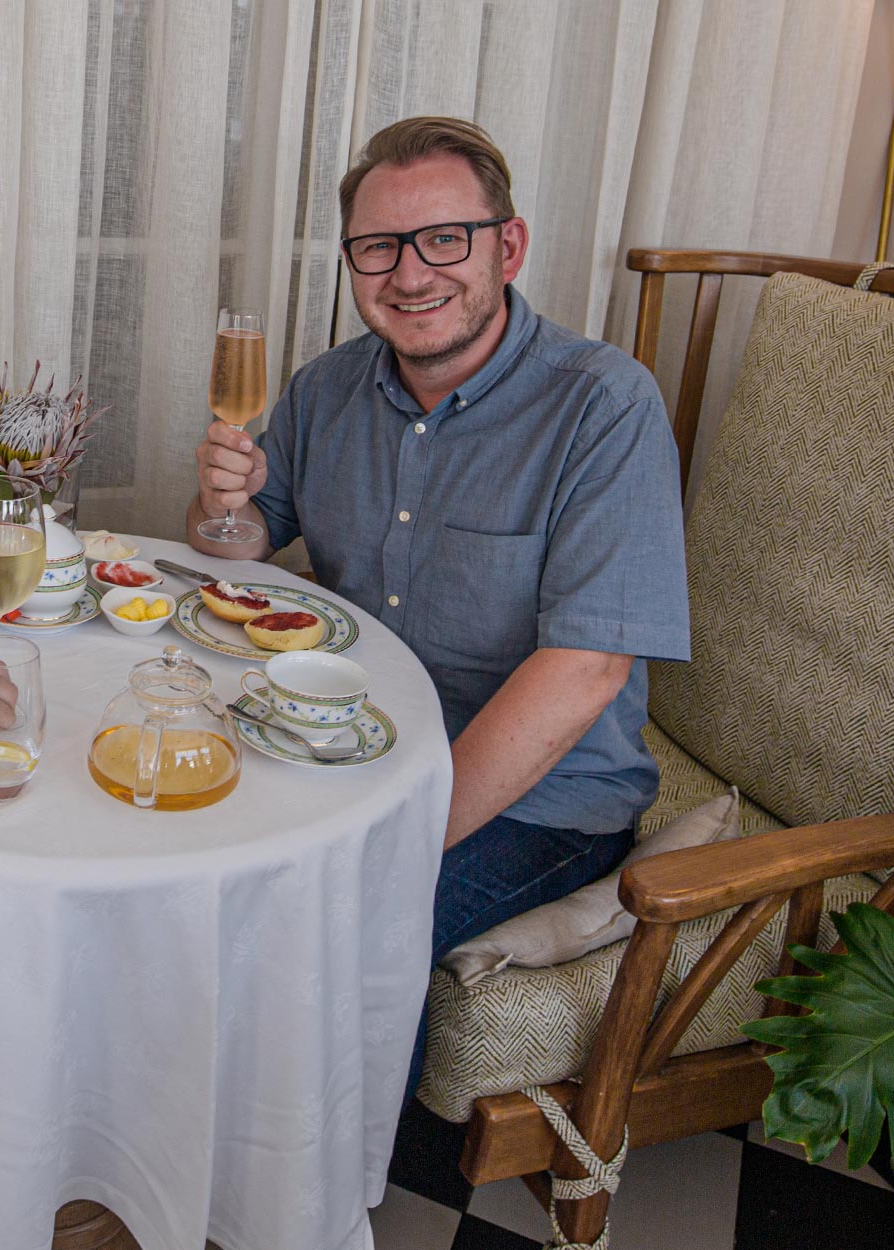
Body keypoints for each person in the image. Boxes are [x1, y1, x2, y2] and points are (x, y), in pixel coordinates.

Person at [188, 116, 690, 1094]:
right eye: (378, 247)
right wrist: (222, 507)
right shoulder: (325, 387)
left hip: (535, 802)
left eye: (443, 239)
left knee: (324, 926)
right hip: (348, 746)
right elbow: (242, 556)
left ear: (508, 246)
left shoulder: (605, 407)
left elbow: (587, 667)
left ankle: (313, 1192)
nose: (409, 274)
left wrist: (393, 828)